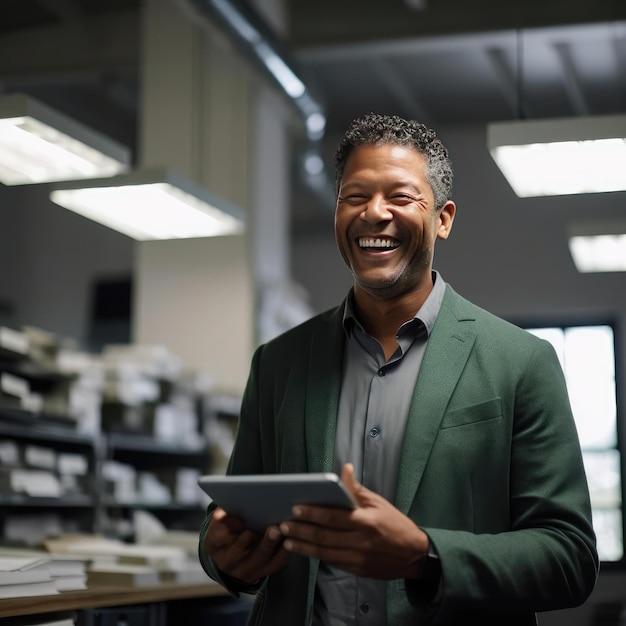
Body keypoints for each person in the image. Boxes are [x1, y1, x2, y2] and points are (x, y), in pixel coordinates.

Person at [198, 112, 599, 625]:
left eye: (401, 197)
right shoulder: (278, 363)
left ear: (443, 219)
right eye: (355, 197)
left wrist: (425, 556)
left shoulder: (522, 362)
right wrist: (222, 554)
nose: (374, 214)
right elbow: (232, 522)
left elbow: (568, 558)